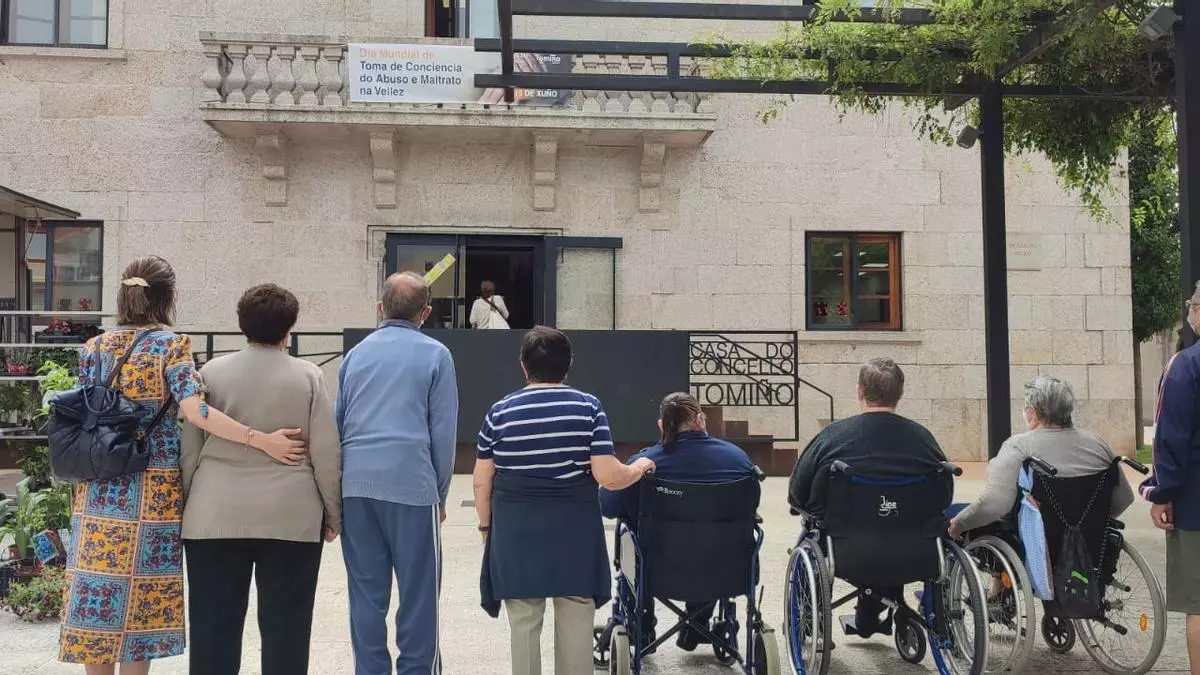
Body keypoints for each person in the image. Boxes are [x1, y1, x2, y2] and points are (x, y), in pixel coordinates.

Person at [59, 256, 306, 675]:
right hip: (150, 491)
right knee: (140, 603)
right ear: (170, 297)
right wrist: (259, 438)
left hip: (98, 486)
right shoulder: (170, 346)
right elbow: (196, 412)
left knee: (97, 595)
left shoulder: (93, 347)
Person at [180, 284, 342, 675]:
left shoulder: (210, 373)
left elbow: (189, 452)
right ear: (289, 328)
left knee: (212, 630)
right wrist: (333, 513)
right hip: (290, 516)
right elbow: (325, 453)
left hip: (213, 514)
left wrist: (184, 507)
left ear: (242, 324)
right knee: (287, 630)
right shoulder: (309, 376)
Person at [474, 326, 654, 675]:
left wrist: (485, 526)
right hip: (574, 534)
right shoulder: (587, 407)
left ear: (524, 366)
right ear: (568, 365)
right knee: (575, 618)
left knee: (524, 621)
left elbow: (482, 481)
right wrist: (640, 467)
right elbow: (608, 476)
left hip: (516, 534)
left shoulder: (499, 412)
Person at [337, 271, 458, 675]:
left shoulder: (355, 356)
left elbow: (339, 422)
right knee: (420, 594)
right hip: (411, 483)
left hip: (356, 485)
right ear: (426, 313)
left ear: (379, 308)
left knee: (365, 594)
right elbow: (443, 433)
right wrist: (440, 494)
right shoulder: (436, 355)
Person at [787, 357, 947, 639]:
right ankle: (872, 613)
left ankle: (813, 622)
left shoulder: (833, 437)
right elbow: (943, 496)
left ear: (860, 391)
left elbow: (797, 493)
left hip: (847, 550)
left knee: (816, 531)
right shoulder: (923, 439)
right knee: (890, 524)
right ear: (900, 393)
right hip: (915, 550)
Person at [599, 392, 756, 651]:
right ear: (701, 419)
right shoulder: (738, 461)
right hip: (725, 568)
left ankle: (641, 627)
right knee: (710, 538)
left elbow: (607, 505)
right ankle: (697, 624)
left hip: (656, 570)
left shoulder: (645, 462)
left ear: (663, 425)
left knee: (631, 534)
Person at [947, 375, 1134, 538]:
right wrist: (1089, 523)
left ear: (1033, 412)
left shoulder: (1019, 446)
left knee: (955, 514)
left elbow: (994, 504)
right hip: (1089, 541)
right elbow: (1124, 498)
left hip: (1035, 542)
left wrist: (960, 523)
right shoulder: (1099, 445)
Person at [1141, 282, 1200, 675]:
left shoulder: (1185, 367)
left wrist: (1160, 493)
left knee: (1199, 604)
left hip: (1195, 504)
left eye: (1193, 303)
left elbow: (1170, 438)